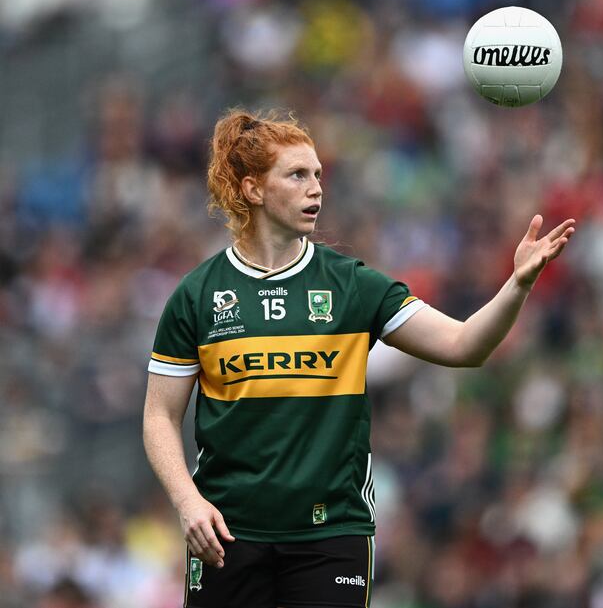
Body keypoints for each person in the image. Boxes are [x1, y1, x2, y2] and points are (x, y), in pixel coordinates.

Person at [142, 108, 576, 608]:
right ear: (253, 189)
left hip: (332, 536)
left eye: (318, 175)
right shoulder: (198, 295)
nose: (316, 189)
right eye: (297, 175)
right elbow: (159, 415)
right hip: (226, 535)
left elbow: (464, 345)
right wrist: (187, 501)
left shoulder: (352, 285)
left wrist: (517, 285)